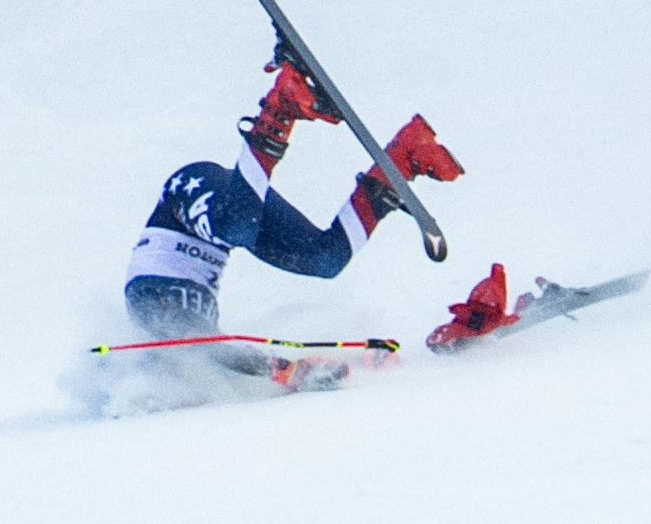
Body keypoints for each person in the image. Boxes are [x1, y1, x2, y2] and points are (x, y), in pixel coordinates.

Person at [124, 43, 463, 388]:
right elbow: (224, 351)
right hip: (237, 207)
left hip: (188, 197)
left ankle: (280, 107)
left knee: (235, 228)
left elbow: (213, 351)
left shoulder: (156, 323)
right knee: (325, 260)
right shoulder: (199, 340)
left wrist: (287, 371)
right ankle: (400, 163)